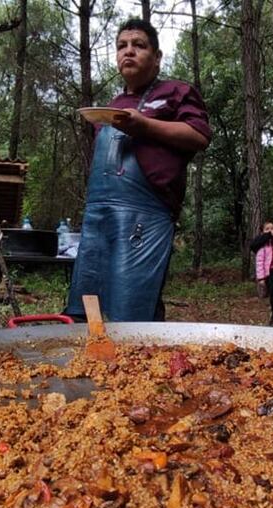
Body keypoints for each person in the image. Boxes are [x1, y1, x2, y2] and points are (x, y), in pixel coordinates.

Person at [64, 17, 211, 322]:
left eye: (138, 45)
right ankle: (92, 361)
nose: (128, 51)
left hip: (146, 216)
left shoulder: (176, 92)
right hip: (99, 218)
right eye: (121, 46)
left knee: (133, 309)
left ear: (156, 58)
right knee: (88, 307)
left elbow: (198, 136)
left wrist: (143, 125)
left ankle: (146, 361)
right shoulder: (112, 104)